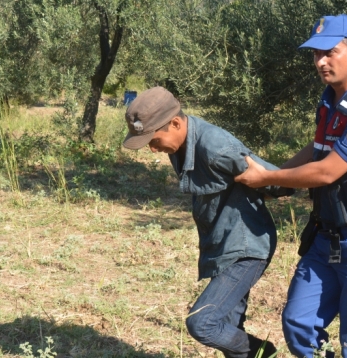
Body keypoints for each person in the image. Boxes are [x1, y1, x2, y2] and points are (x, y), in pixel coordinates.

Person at [234, 14, 347, 358]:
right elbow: (318, 149)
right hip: (326, 240)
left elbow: (328, 171)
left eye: (330, 52)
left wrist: (267, 177)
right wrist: (278, 176)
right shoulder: (330, 102)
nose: (321, 61)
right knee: (299, 324)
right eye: (315, 54)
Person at [122, 87, 293, 358]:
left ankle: (265, 353)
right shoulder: (179, 143)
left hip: (246, 248)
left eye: (153, 140)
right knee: (227, 328)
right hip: (222, 244)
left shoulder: (216, 147)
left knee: (203, 323)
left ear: (175, 123)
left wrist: (266, 184)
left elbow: (275, 178)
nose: (153, 149)